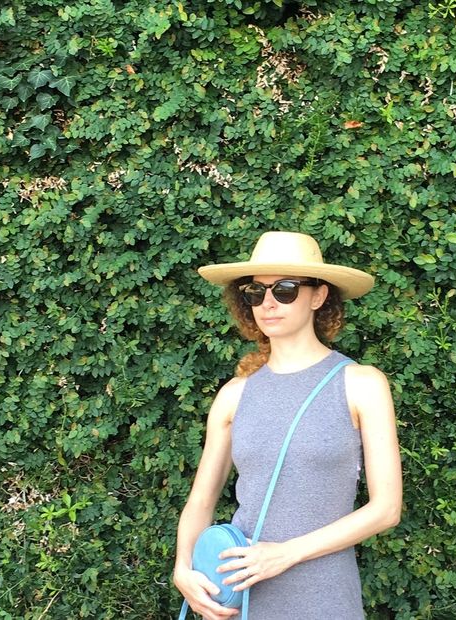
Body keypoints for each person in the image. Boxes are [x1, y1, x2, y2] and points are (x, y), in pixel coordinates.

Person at [173, 231, 404, 620]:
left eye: (285, 289)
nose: (267, 303)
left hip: (324, 599)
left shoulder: (361, 384)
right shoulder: (235, 394)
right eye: (255, 292)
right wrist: (184, 569)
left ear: (319, 295)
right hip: (240, 598)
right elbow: (200, 501)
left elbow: (386, 509)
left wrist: (285, 553)